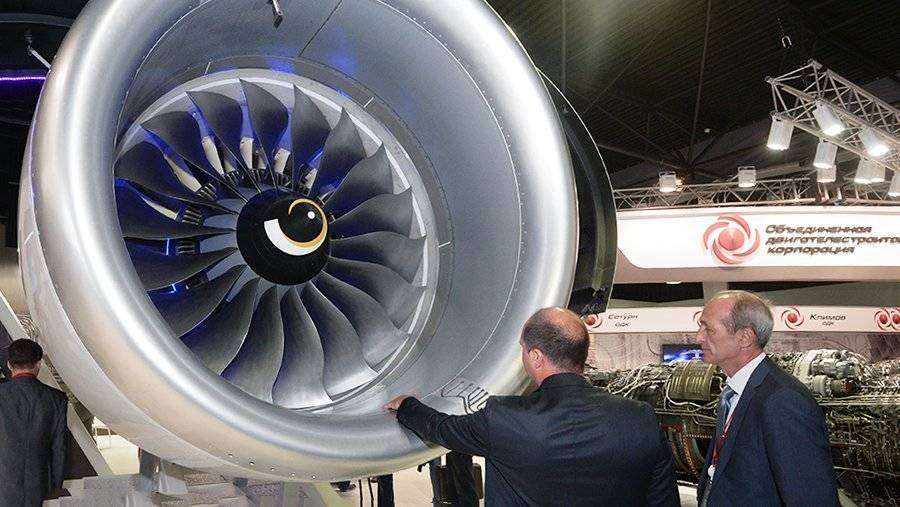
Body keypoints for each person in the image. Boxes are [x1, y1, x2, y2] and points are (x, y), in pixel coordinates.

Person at [385, 307, 678, 506]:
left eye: (523, 350)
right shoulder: (641, 418)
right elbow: (662, 499)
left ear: (536, 357)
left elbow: (443, 429)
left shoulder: (505, 418)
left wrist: (407, 405)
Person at [695, 290, 838, 506]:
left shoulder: (783, 401)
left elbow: (812, 498)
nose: (699, 337)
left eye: (709, 329)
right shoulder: (732, 393)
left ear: (745, 337)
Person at [0, 339, 68, 507]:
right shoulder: (57, 398)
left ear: (9, 365)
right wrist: (56, 484)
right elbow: (59, 447)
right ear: (38, 364)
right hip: (38, 482)